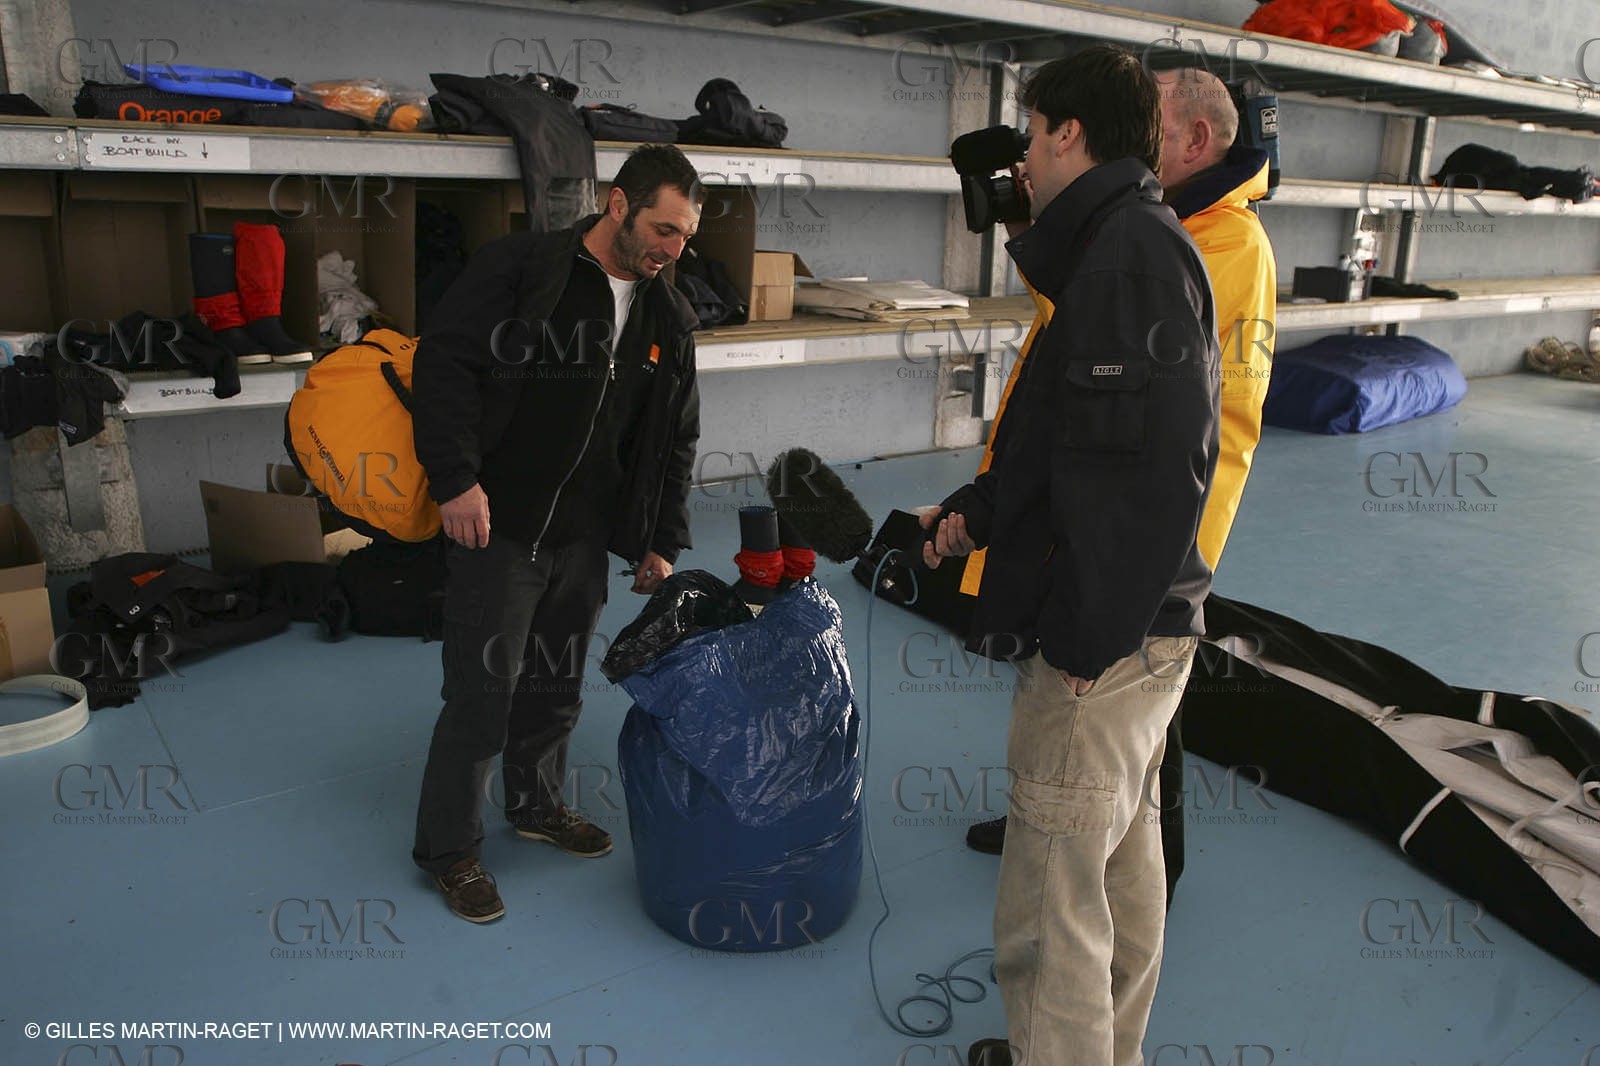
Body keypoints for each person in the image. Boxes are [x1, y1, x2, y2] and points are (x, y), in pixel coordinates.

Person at [920, 46, 1220, 1066]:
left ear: (1066, 134)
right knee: (1117, 876)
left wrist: (1089, 638)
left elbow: (1161, 468)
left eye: (1033, 134)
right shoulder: (1118, 244)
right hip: (1146, 635)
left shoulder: (1129, 253)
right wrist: (981, 506)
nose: (1024, 164)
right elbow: (1067, 436)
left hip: (1106, 649)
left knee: (1049, 909)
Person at [961, 67, 1277, 909]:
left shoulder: (1207, 241)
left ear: (1195, 141)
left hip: (1156, 526)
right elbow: (1079, 320)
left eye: (1154, 125)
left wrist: (1092, 628)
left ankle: (1126, 856)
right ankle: (1086, 830)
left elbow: (1157, 426)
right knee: (1111, 745)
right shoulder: (1140, 229)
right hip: (1113, 509)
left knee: (1131, 712)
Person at [409, 144, 705, 923]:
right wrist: (454, 480)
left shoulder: (667, 315)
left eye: (684, 239)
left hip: (584, 537)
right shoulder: (524, 269)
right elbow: (442, 364)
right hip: (499, 524)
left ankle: (535, 807)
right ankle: (450, 851)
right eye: (662, 230)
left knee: (554, 689)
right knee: (481, 696)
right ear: (618, 205)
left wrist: (659, 536)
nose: (672, 251)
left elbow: (674, 438)